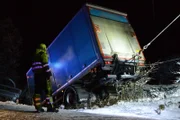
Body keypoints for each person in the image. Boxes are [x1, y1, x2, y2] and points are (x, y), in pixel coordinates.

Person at [32, 43, 57, 112]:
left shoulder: (35, 55)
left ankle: (38, 108)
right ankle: (50, 107)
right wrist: (49, 74)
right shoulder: (43, 54)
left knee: (37, 92)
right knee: (48, 91)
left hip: (36, 76)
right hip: (43, 75)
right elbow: (45, 65)